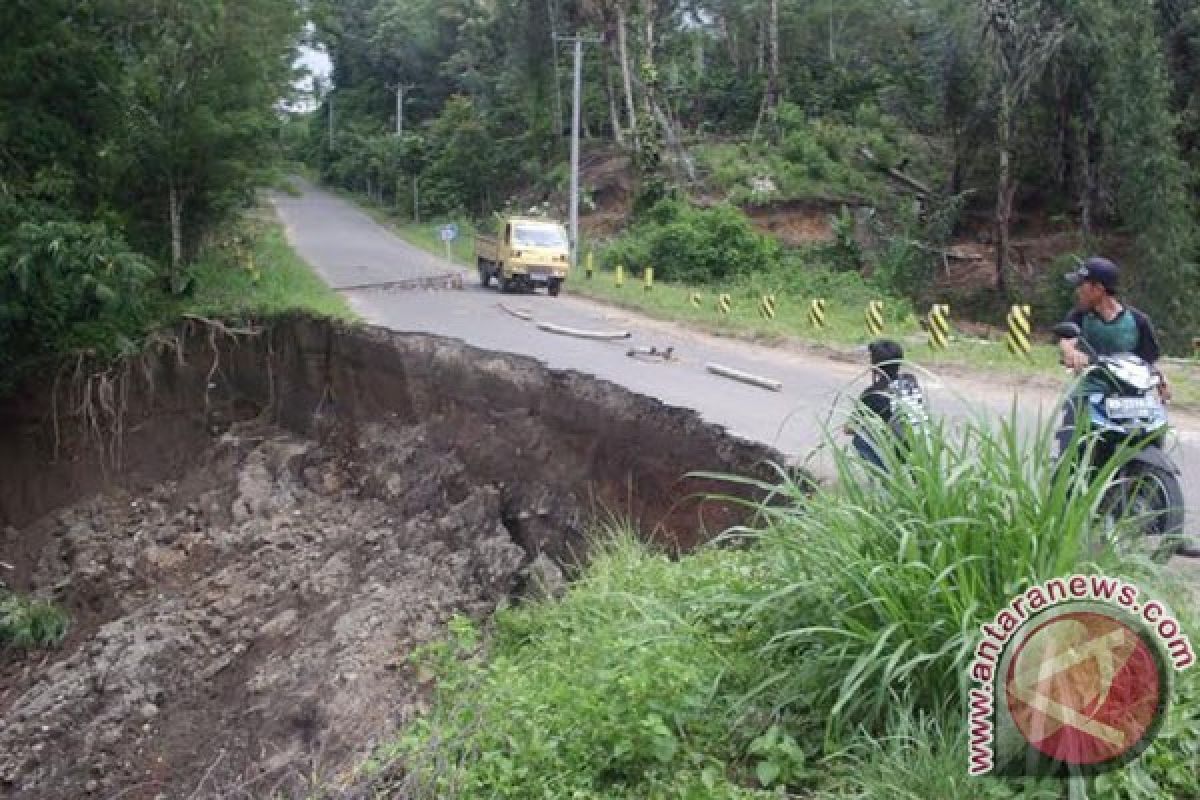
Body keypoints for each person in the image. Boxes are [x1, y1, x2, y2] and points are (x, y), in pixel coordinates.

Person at [1056, 256, 1168, 454]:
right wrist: (1071, 353)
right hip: (1090, 393)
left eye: (1082, 285)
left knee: (1152, 438)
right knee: (1070, 452)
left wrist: (1160, 379)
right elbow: (1067, 341)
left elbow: (1149, 360)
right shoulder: (1080, 316)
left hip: (1130, 397)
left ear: (1098, 289)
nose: (1078, 290)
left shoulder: (1137, 321)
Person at [845, 339, 928, 470]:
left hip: (902, 450)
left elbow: (849, 428)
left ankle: (885, 482)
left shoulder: (873, 394)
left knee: (860, 440)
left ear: (874, 365)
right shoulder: (910, 380)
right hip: (924, 444)